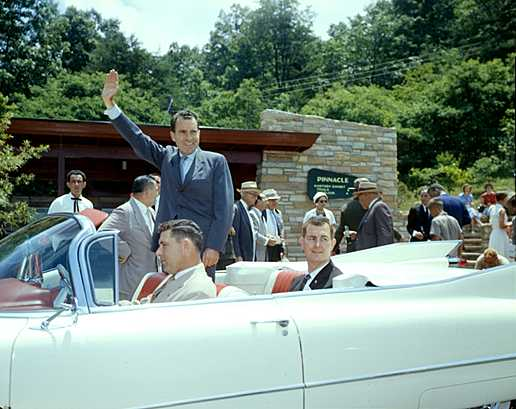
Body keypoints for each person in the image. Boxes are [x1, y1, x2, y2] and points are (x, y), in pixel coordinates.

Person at [102, 69, 234, 279]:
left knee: (198, 299)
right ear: (172, 135)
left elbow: (224, 210)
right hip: (167, 247)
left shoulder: (216, 162)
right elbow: (137, 138)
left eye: (193, 132)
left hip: (200, 248)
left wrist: (215, 246)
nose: (189, 137)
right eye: (182, 132)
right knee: (169, 301)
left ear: (199, 133)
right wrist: (111, 105)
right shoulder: (166, 158)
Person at [99, 175, 159, 300]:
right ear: (147, 192)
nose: (157, 193)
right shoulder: (125, 211)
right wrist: (124, 251)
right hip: (130, 281)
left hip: (150, 280)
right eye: (156, 190)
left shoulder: (151, 212)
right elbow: (103, 234)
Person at [145, 219, 216, 303]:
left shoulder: (198, 292)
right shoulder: (175, 277)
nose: (158, 252)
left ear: (185, 246)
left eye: (164, 245)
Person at [290, 216, 342, 291]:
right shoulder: (296, 282)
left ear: (332, 244)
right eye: (312, 238)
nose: (317, 245)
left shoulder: (337, 285)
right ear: (302, 243)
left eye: (324, 239)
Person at [351, 181, 394, 251]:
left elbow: (385, 236)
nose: (359, 200)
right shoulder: (373, 208)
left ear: (367, 194)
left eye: (359, 196)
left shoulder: (379, 207)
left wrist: (382, 256)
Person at [334, 177, 369, 253]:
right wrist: (398, 237)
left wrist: (333, 248)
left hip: (352, 246)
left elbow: (341, 230)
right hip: (370, 246)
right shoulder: (370, 206)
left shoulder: (346, 208)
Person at [233, 181, 260, 262]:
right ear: (243, 194)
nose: (255, 198)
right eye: (253, 194)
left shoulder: (249, 210)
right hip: (242, 258)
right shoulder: (237, 208)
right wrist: (238, 255)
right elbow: (235, 234)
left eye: (256, 195)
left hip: (249, 257)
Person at [250, 193, 277, 262]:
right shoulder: (252, 214)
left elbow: (262, 232)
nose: (267, 203)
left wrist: (270, 237)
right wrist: (267, 241)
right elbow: (254, 233)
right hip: (256, 253)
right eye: (265, 201)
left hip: (263, 253)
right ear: (258, 202)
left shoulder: (261, 215)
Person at [262, 188, 285, 261]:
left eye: (276, 200)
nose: (274, 202)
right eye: (271, 200)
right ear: (266, 201)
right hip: (266, 245)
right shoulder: (262, 212)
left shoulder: (278, 213)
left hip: (276, 246)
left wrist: (282, 246)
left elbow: (281, 230)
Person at [488, 192, 512, 258]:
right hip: (501, 235)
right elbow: (501, 225)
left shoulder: (492, 209)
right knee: (502, 255)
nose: (507, 201)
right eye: (506, 199)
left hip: (494, 234)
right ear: (502, 200)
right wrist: (511, 223)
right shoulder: (502, 210)